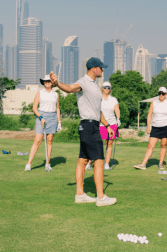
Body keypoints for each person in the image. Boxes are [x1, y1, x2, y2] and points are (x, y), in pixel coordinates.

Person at [50, 57, 117, 207]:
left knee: (83, 160)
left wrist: (107, 126)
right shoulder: (84, 82)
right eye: (101, 67)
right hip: (88, 126)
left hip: (92, 125)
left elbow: (97, 111)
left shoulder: (94, 86)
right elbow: (70, 88)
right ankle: (101, 197)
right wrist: (57, 83)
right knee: (99, 160)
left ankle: (80, 194)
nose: (102, 70)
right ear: (94, 69)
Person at [25, 75, 61, 172]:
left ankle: (47, 164)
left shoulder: (56, 94)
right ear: (43, 83)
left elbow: (57, 108)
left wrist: (59, 122)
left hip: (52, 117)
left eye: (49, 81)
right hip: (41, 116)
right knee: (37, 141)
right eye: (45, 81)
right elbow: (34, 108)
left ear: (52, 82)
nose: (47, 82)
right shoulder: (39, 93)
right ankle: (28, 164)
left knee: (49, 141)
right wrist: (41, 117)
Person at [134, 87, 167, 170]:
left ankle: (160, 164)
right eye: (160, 93)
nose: (161, 95)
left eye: (163, 93)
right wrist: (148, 126)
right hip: (155, 127)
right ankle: (143, 164)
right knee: (150, 146)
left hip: (166, 127)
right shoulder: (154, 103)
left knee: (163, 145)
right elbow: (149, 115)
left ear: (166, 94)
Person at [99, 81, 121, 170]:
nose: (107, 89)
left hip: (111, 123)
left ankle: (106, 164)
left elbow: (117, 110)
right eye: (105, 87)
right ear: (102, 88)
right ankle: (89, 162)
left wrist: (118, 119)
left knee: (109, 144)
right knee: (97, 143)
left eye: (108, 88)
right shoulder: (98, 98)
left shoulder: (113, 99)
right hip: (100, 123)